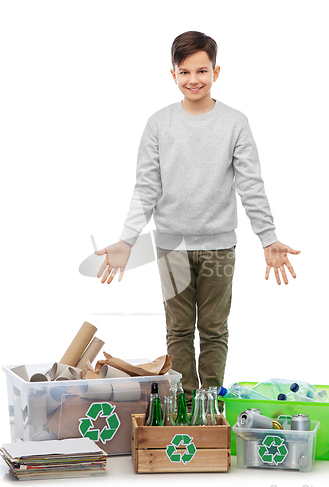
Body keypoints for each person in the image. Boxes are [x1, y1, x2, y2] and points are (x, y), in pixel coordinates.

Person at [95, 31, 300, 406]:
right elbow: (146, 187)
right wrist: (127, 239)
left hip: (219, 245)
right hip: (172, 244)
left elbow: (250, 184)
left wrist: (268, 238)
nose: (194, 80)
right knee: (177, 329)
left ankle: (210, 404)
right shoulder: (159, 123)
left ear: (216, 72)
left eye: (202, 70)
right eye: (185, 71)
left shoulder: (235, 122)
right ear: (172, 74)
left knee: (213, 329)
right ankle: (185, 404)